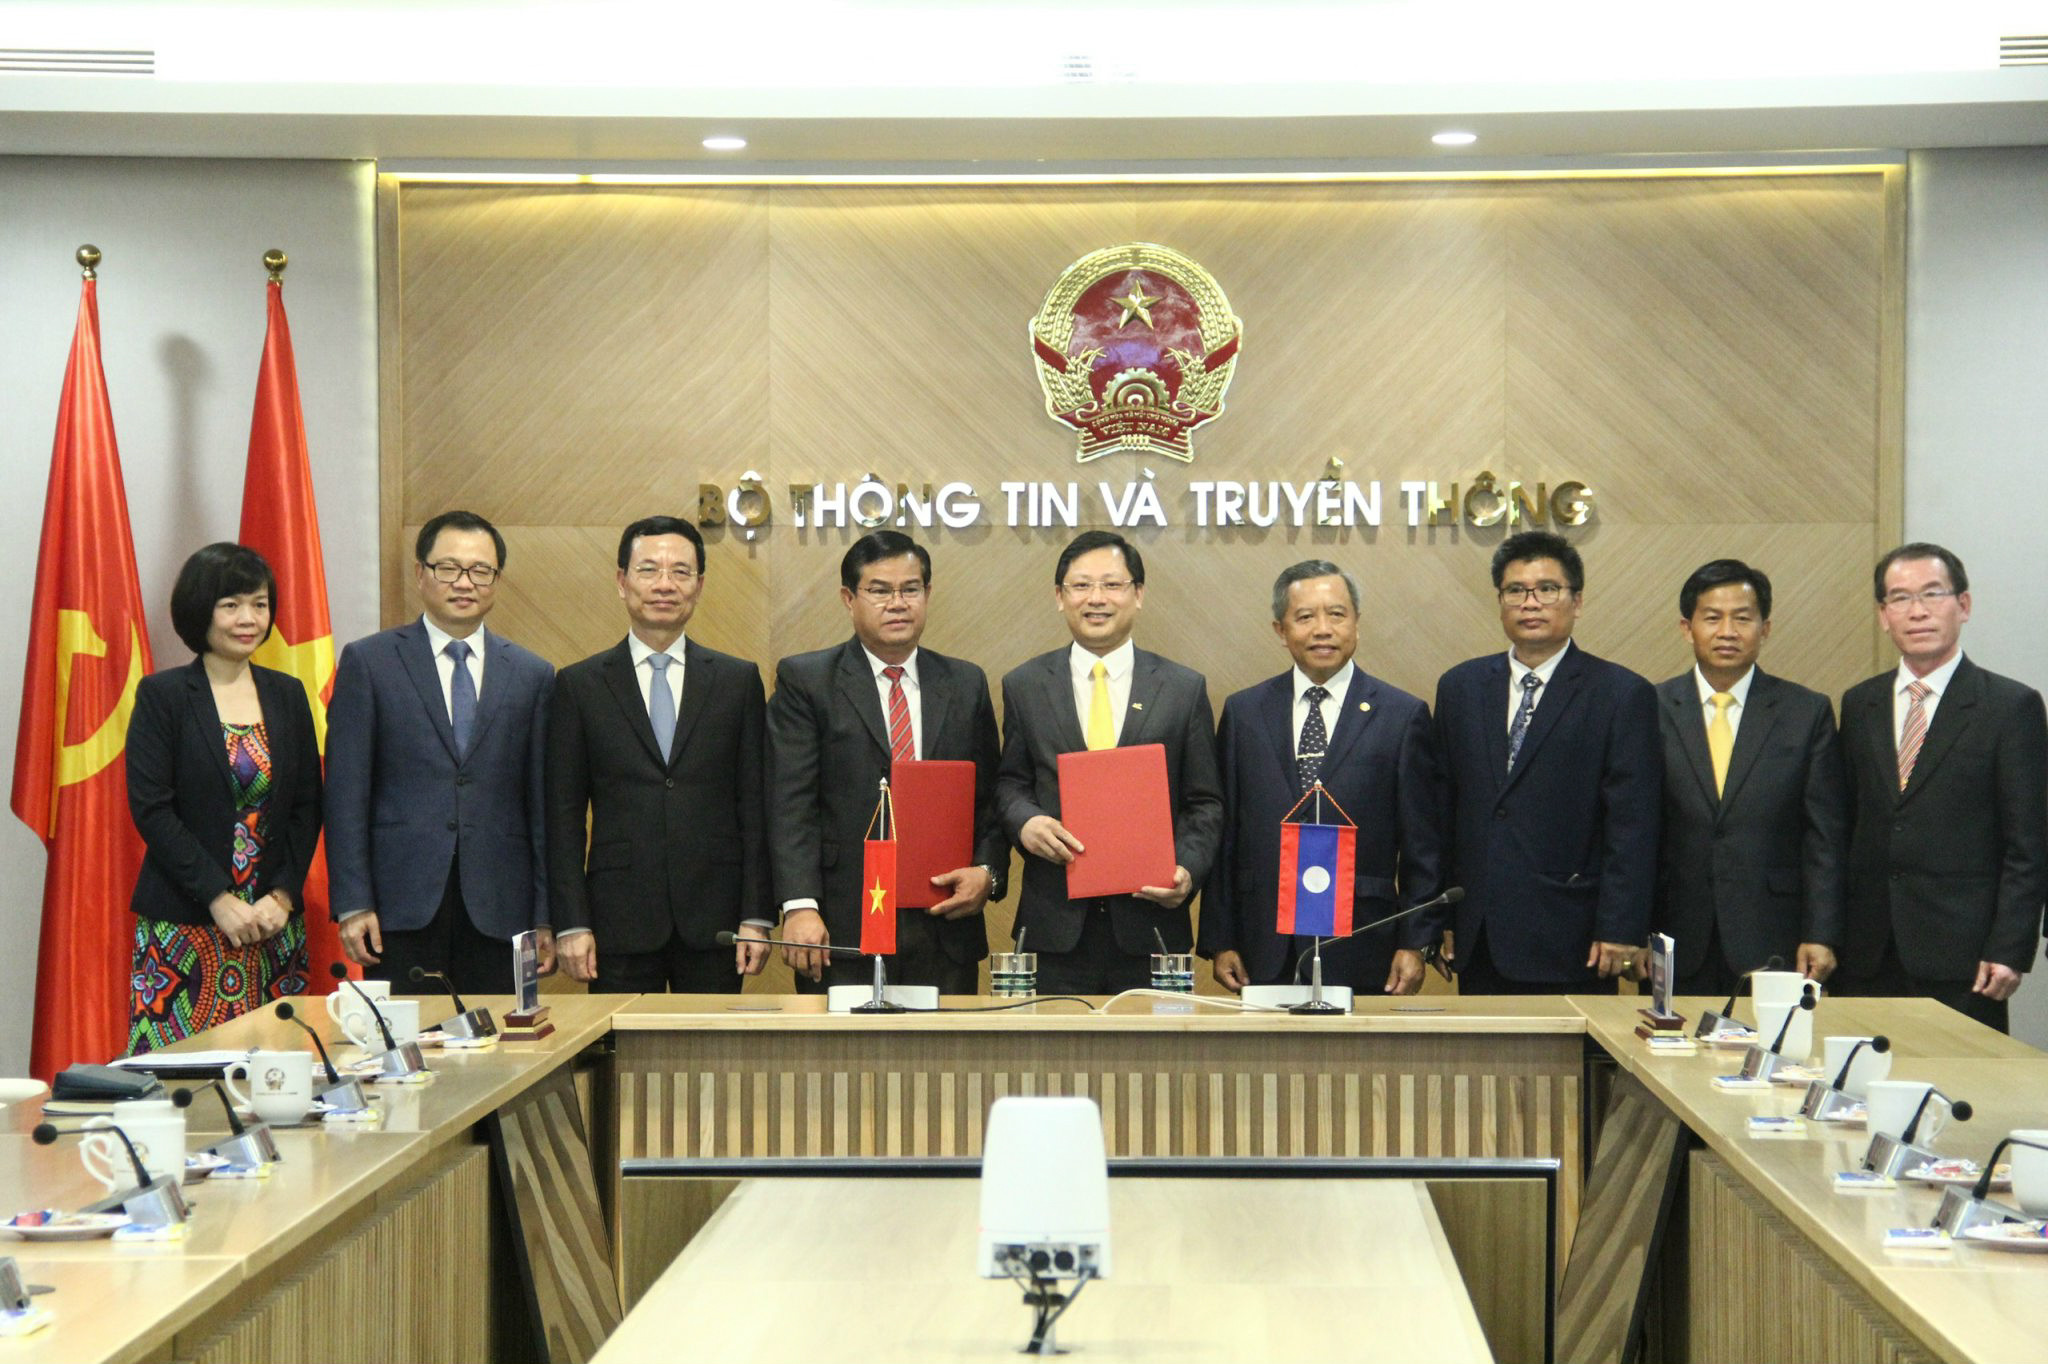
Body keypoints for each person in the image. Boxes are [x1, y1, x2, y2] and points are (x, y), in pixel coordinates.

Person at [326, 510, 555, 994]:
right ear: (420, 573)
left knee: (498, 1038)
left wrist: (544, 914)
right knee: (407, 1038)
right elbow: (346, 793)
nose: (464, 583)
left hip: (501, 906)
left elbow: (541, 804)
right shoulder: (369, 662)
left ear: (496, 580)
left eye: (480, 571)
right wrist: (353, 901)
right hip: (399, 904)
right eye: (448, 568)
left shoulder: (532, 674)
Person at [768, 531, 1006, 993]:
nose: (897, 603)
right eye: (879, 590)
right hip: (841, 925)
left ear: (927, 594)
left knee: (946, 1043)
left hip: (944, 923)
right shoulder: (807, 681)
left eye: (910, 589)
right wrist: (800, 904)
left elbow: (990, 800)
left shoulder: (965, 683)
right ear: (849, 598)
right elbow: (788, 803)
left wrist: (987, 872)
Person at [546, 515, 771, 992]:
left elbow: (755, 806)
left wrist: (756, 915)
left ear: (699, 586)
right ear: (622, 582)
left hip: (716, 919)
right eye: (648, 570)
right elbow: (563, 816)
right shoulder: (580, 685)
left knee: (713, 1044)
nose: (664, 584)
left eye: (680, 572)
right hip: (617, 919)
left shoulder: (737, 681)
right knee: (620, 1042)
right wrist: (571, 921)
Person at [1201, 561, 1446, 997]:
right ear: (1280, 630)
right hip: (1263, 943)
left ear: (1356, 623)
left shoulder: (1401, 715)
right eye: (1305, 617)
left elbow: (1421, 845)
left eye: (1336, 614)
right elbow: (1226, 835)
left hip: (1363, 939)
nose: (1323, 629)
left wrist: (1415, 941)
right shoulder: (1244, 713)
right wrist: (1221, 939)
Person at [994, 530, 1223, 995]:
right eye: (1081, 586)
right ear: (1059, 597)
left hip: (1152, 927)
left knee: (1158, 1046)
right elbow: (1010, 783)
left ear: (1138, 594)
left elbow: (1205, 802)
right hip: (1053, 928)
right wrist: (1025, 821)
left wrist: (1185, 869)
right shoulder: (1025, 684)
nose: (1096, 598)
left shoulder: (1182, 689)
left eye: (1112, 585)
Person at [1434, 530, 1660, 994]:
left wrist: (1621, 926)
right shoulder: (1460, 687)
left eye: (1547, 589)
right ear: (1500, 602)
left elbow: (1633, 824)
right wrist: (1444, 917)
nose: (1530, 603)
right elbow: (1442, 811)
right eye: (1515, 591)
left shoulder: (1620, 693)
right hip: (1480, 934)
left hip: (1574, 935)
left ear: (1577, 602)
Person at [1833, 543, 2046, 1031]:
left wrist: (2010, 947)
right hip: (1868, 952)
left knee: (1960, 1078)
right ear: (1883, 615)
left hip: (1966, 957)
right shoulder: (1860, 703)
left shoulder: (2010, 707)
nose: (1918, 611)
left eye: (1932, 594)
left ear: (1963, 605)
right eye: (1900, 598)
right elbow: (1846, 825)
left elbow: (2028, 843)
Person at [125, 543, 321, 1051]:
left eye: (259, 604)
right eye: (231, 605)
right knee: (184, 1078)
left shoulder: (288, 693)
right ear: (200, 610)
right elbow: (152, 809)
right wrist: (218, 897)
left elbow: (307, 805)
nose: (248, 619)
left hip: (272, 925)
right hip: (187, 924)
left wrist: (283, 895)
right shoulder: (163, 695)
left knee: (278, 1073)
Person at [1650, 559, 1847, 996]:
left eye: (1742, 618)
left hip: (1775, 933)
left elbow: (1824, 836)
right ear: (1686, 628)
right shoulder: (1650, 707)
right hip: (1676, 931)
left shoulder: (1805, 712)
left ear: (1765, 628)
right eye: (1712, 618)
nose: (1727, 632)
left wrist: (1822, 932)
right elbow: (1634, 829)